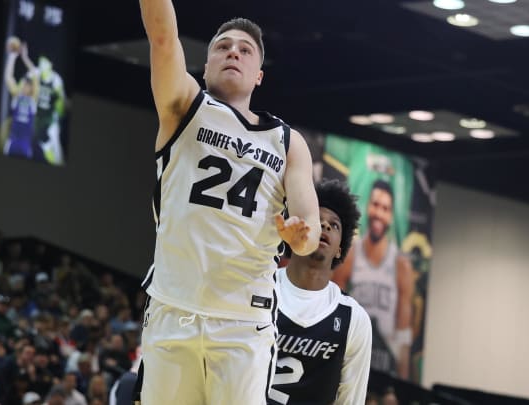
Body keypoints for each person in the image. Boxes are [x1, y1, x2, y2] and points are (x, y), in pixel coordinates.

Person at [138, 1, 321, 403]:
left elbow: (310, 233)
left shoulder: (289, 143)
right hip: (174, 307)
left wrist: (299, 236)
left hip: (243, 321)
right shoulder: (185, 106)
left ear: (258, 75)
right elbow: (163, 37)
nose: (233, 51)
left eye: (244, 49)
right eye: (222, 47)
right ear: (204, 67)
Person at [269, 179, 371, 404]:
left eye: (334, 225)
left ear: (339, 250)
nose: (324, 226)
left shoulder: (353, 318)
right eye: (317, 221)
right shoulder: (262, 288)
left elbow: (351, 399)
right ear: (296, 233)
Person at [333, 179, 415, 379]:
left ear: (391, 216)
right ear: (368, 207)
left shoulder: (401, 265)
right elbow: (334, 314)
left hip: (385, 362)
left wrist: (399, 388)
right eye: (376, 205)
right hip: (353, 354)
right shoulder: (351, 254)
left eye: (385, 208)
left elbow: (403, 336)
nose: (379, 213)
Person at [20, 46, 66, 165]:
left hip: (50, 118)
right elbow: (23, 83)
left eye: (44, 62)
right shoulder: (36, 72)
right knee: (42, 144)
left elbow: (62, 102)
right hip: (37, 117)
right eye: (40, 62)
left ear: (50, 64)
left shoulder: (56, 80)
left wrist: (60, 112)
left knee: (54, 137)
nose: (41, 65)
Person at [2, 41, 39, 160]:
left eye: (28, 84)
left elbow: (36, 74)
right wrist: (12, 57)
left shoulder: (33, 100)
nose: (26, 85)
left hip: (25, 145)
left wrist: (25, 57)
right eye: (24, 82)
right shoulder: (17, 96)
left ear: (31, 87)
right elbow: (8, 77)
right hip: (12, 143)